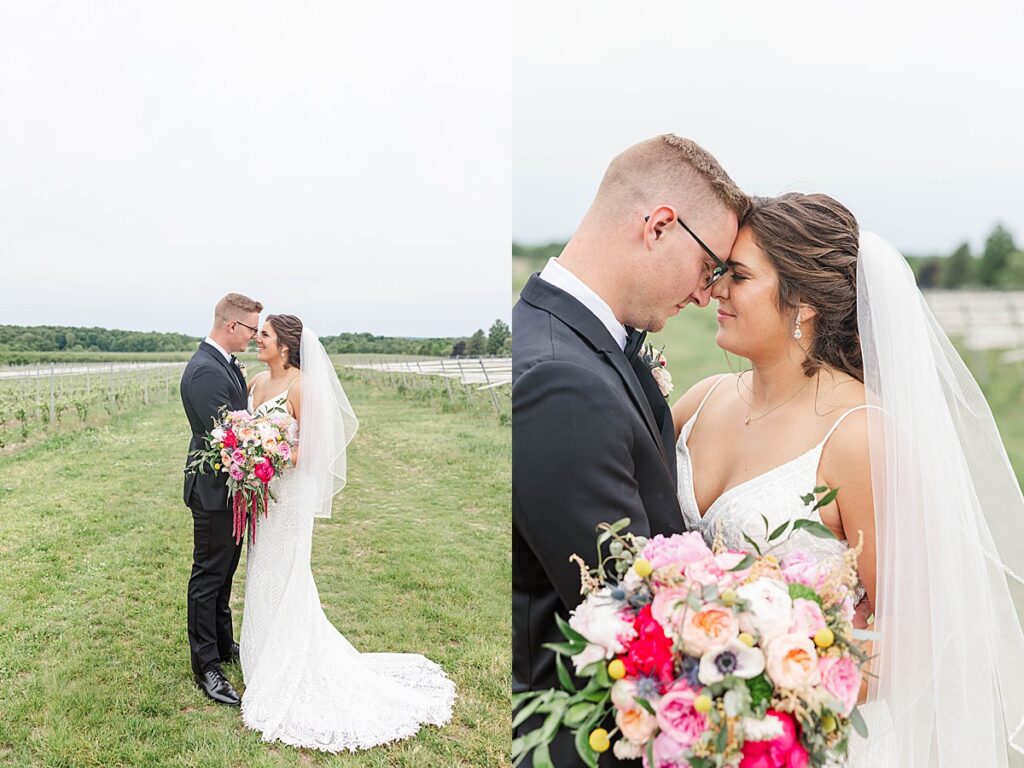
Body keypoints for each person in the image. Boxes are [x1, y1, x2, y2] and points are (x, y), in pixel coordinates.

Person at [673, 193, 1024, 765]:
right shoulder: (698, 400)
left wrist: (760, 705)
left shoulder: (861, 436)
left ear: (802, 303)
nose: (715, 290)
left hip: (802, 743)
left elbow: (912, 640)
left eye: (737, 276)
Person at [512, 134, 748, 766]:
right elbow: (623, 604)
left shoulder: (592, 344)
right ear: (660, 226)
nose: (707, 294)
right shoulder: (561, 380)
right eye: (710, 268)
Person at [238, 313, 455, 752]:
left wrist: (273, 451)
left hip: (290, 492)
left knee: (287, 574)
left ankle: (289, 662)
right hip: (263, 491)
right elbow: (246, 427)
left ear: (285, 346)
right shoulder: (256, 380)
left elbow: (315, 447)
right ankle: (260, 658)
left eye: (264, 335)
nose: (255, 339)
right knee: (261, 572)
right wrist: (247, 449)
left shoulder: (301, 386)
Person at [180, 292, 263, 705]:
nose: (254, 337)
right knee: (208, 576)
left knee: (225, 573)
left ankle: (223, 643)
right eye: (252, 329)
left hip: (230, 490)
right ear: (232, 326)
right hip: (214, 491)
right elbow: (229, 439)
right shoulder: (204, 372)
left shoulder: (223, 364)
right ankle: (206, 666)